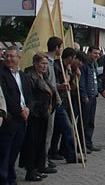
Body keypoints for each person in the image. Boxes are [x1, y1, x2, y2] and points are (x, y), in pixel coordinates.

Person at [20, 53, 58, 181]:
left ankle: (37, 167)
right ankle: (30, 170)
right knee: (32, 143)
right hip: (35, 114)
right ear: (35, 63)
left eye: (46, 64)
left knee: (40, 143)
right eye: (42, 63)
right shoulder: (30, 77)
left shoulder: (44, 76)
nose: (44, 66)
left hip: (44, 113)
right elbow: (30, 96)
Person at [0, 46, 32, 184]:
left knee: (14, 153)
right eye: (6, 56)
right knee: (4, 153)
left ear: (19, 58)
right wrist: (20, 110)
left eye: (12, 56)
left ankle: (11, 178)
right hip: (10, 119)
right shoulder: (1, 74)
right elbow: (5, 97)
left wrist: (28, 108)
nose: (8, 59)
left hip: (22, 121)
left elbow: (29, 95)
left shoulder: (23, 76)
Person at [44, 36, 63, 170]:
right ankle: (43, 160)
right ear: (56, 48)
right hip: (47, 103)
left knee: (49, 133)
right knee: (46, 133)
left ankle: (45, 157)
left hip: (53, 101)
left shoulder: (53, 62)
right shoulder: (46, 62)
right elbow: (47, 83)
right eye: (60, 47)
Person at [79, 46, 101, 152]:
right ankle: (81, 144)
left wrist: (102, 90)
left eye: (98, 53)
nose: (97, 55)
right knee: (84, 122)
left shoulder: (94, 66)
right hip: (87, 97)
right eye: (95, 53)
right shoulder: (84, 66)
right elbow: (81, 82)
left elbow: (96, 80)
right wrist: (84, 95)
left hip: (93, 96)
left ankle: (88, 142)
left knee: (91, 122)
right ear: (89, 53)